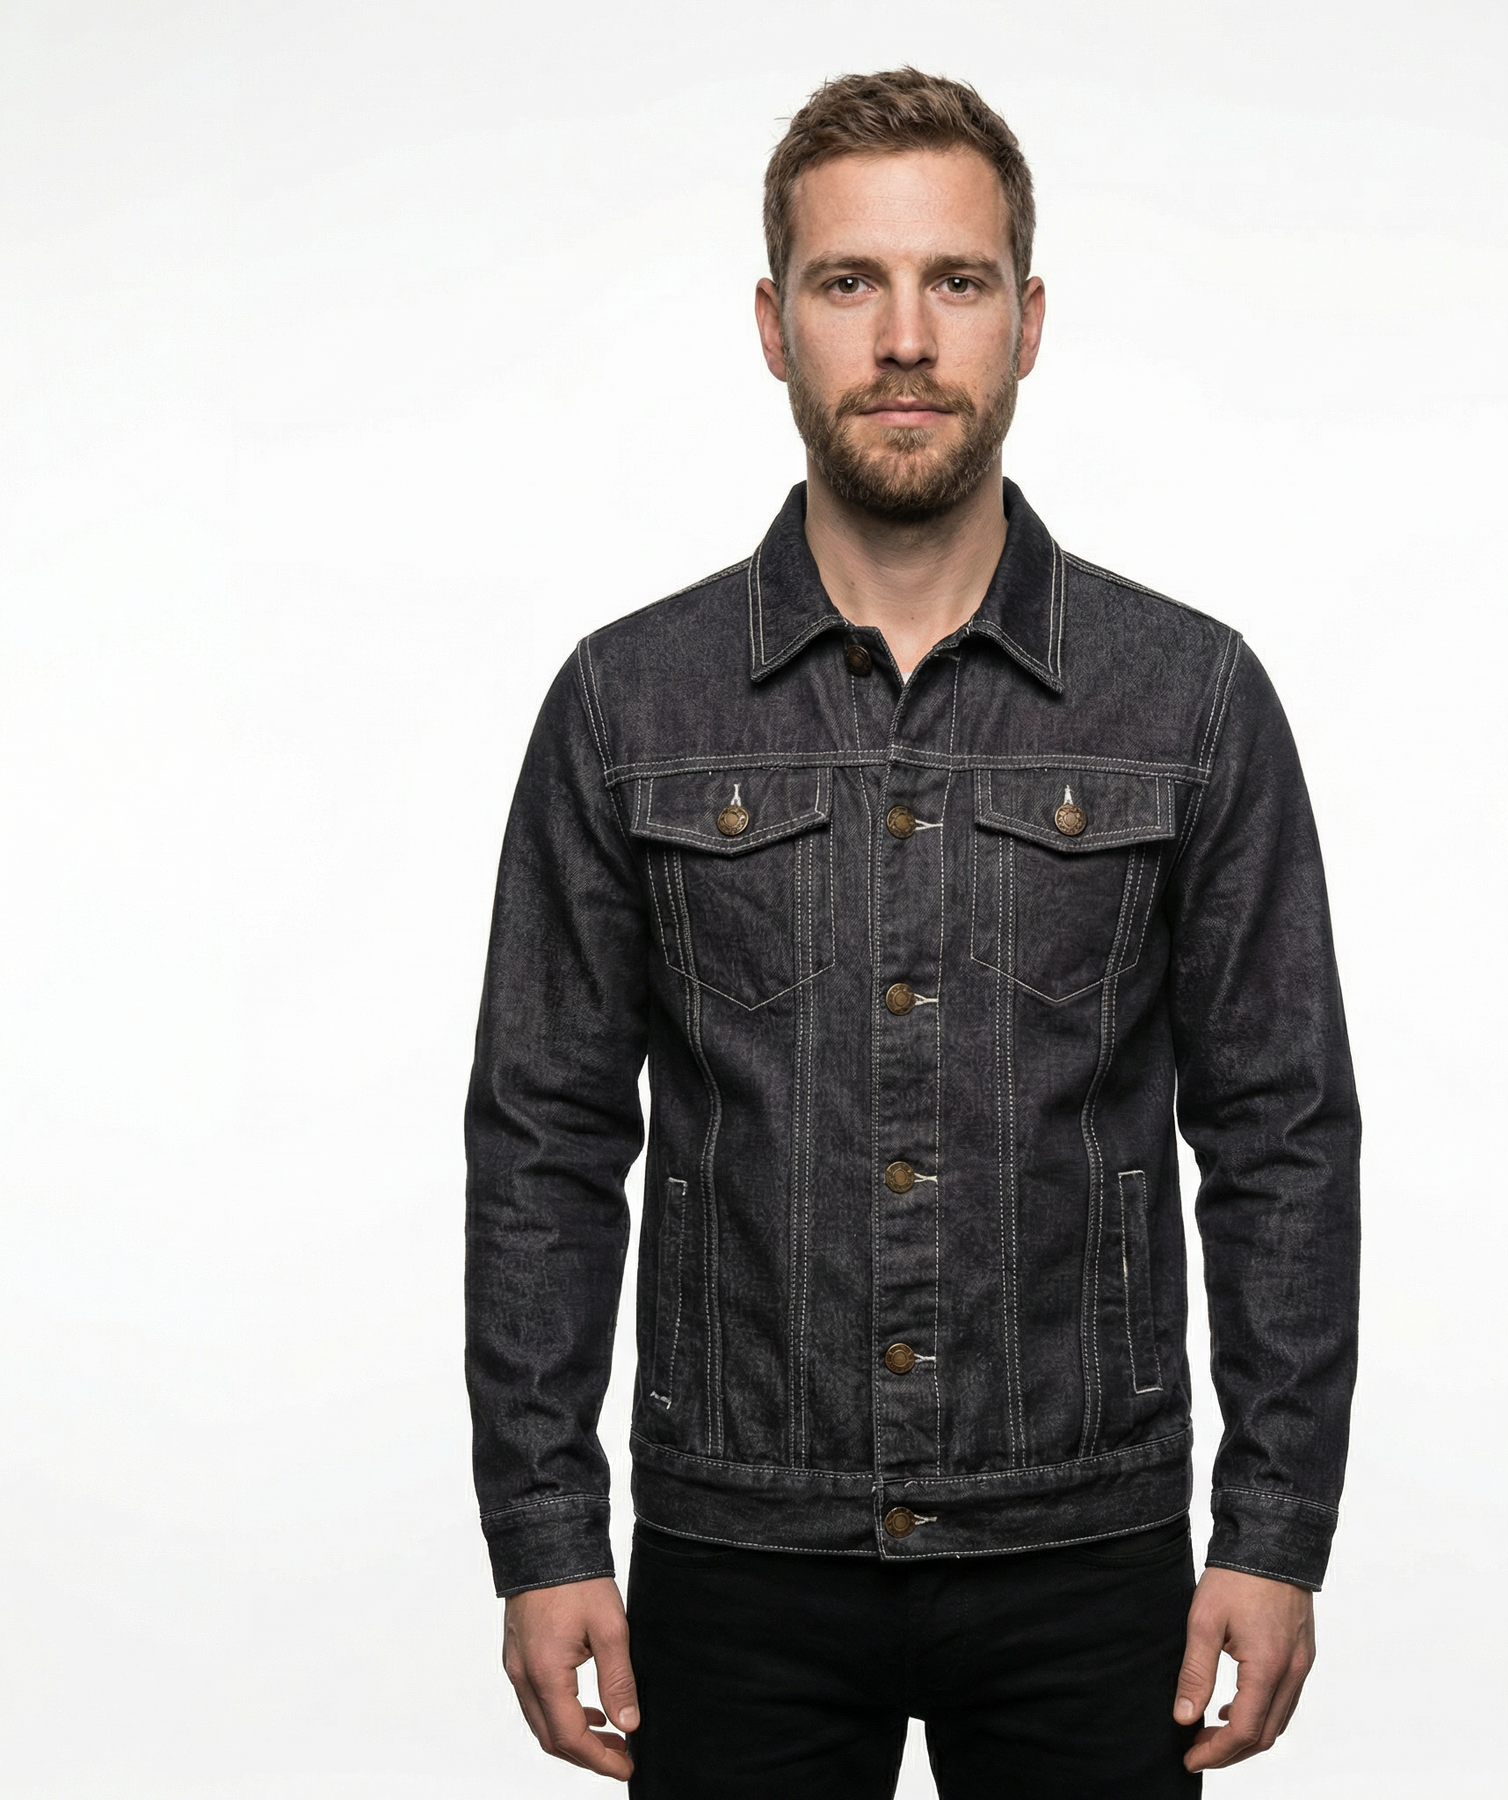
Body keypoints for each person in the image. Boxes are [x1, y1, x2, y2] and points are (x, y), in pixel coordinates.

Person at [465, 67, 1359, 1797]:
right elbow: (543, 1135)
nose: (902, 338)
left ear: (1028, 321)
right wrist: (543, 1527)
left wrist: (1275, 1526)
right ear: (772, 324)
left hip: (1088, 1550)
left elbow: (1282, 1131)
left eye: (954, 281)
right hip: (738, 1553)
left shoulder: (1188, 698)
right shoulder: (625, 703)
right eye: (846, 281)